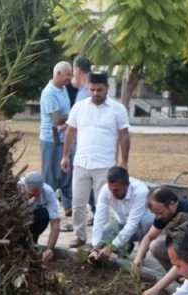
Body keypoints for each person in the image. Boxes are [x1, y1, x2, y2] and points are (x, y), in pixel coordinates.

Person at [61, 71, 130, 248]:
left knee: (102, 205)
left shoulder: (118, 109)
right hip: (81, 162)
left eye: (99, 90)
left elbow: (124, 136)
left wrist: (124, 162)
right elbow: (70, 131)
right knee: (78, 203)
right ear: (88, 88)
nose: (95, 93)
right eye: (92, 90)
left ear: (107, 88)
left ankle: (99, 239)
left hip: (105, 165)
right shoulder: (79, 107)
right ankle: (79, 235)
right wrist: (65, 155)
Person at [132, 187, 188, 272]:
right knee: (155, 246)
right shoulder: (164, 214)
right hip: (186, 249)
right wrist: (138, 257)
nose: (158, 217)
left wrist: (163, 281)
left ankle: (186, 275)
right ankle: (180, 275)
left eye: (160, 213)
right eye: (155, 214)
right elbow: (149, 236)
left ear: (171, 204)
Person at [88, 166, 152, 262]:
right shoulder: (105, 190)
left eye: (116, 190)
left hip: (140, 226)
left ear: (126, 186)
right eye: (110, 189)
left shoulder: (141, 192)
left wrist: (111, 247)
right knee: (103, 235)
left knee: (148, 222)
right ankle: (126, 247)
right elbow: (99, 218)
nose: (112, 193)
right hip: (121, 222)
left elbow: (132, 224)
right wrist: (95, 247)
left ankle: (140, 256)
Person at [39, 61, 73, 217]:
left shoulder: (63, 89)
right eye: (67, 74)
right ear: (58, 73)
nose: (69, 78)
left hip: (64, 137)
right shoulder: (49, 93)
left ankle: (68, 207)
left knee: (67, 173)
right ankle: (46, 209)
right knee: (50, 177)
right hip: (51, 140)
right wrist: (74, 115)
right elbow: (57, 119)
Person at [19, 172, 60, 262]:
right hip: (16, 220)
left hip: (33, 219)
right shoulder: (15, 188)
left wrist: (49, 249)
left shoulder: (48, 192)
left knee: (44, 214)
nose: (34, 198)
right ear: (24, 186)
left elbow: (55, 224)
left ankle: (32, 243)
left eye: (37, 194)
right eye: (31, 194)